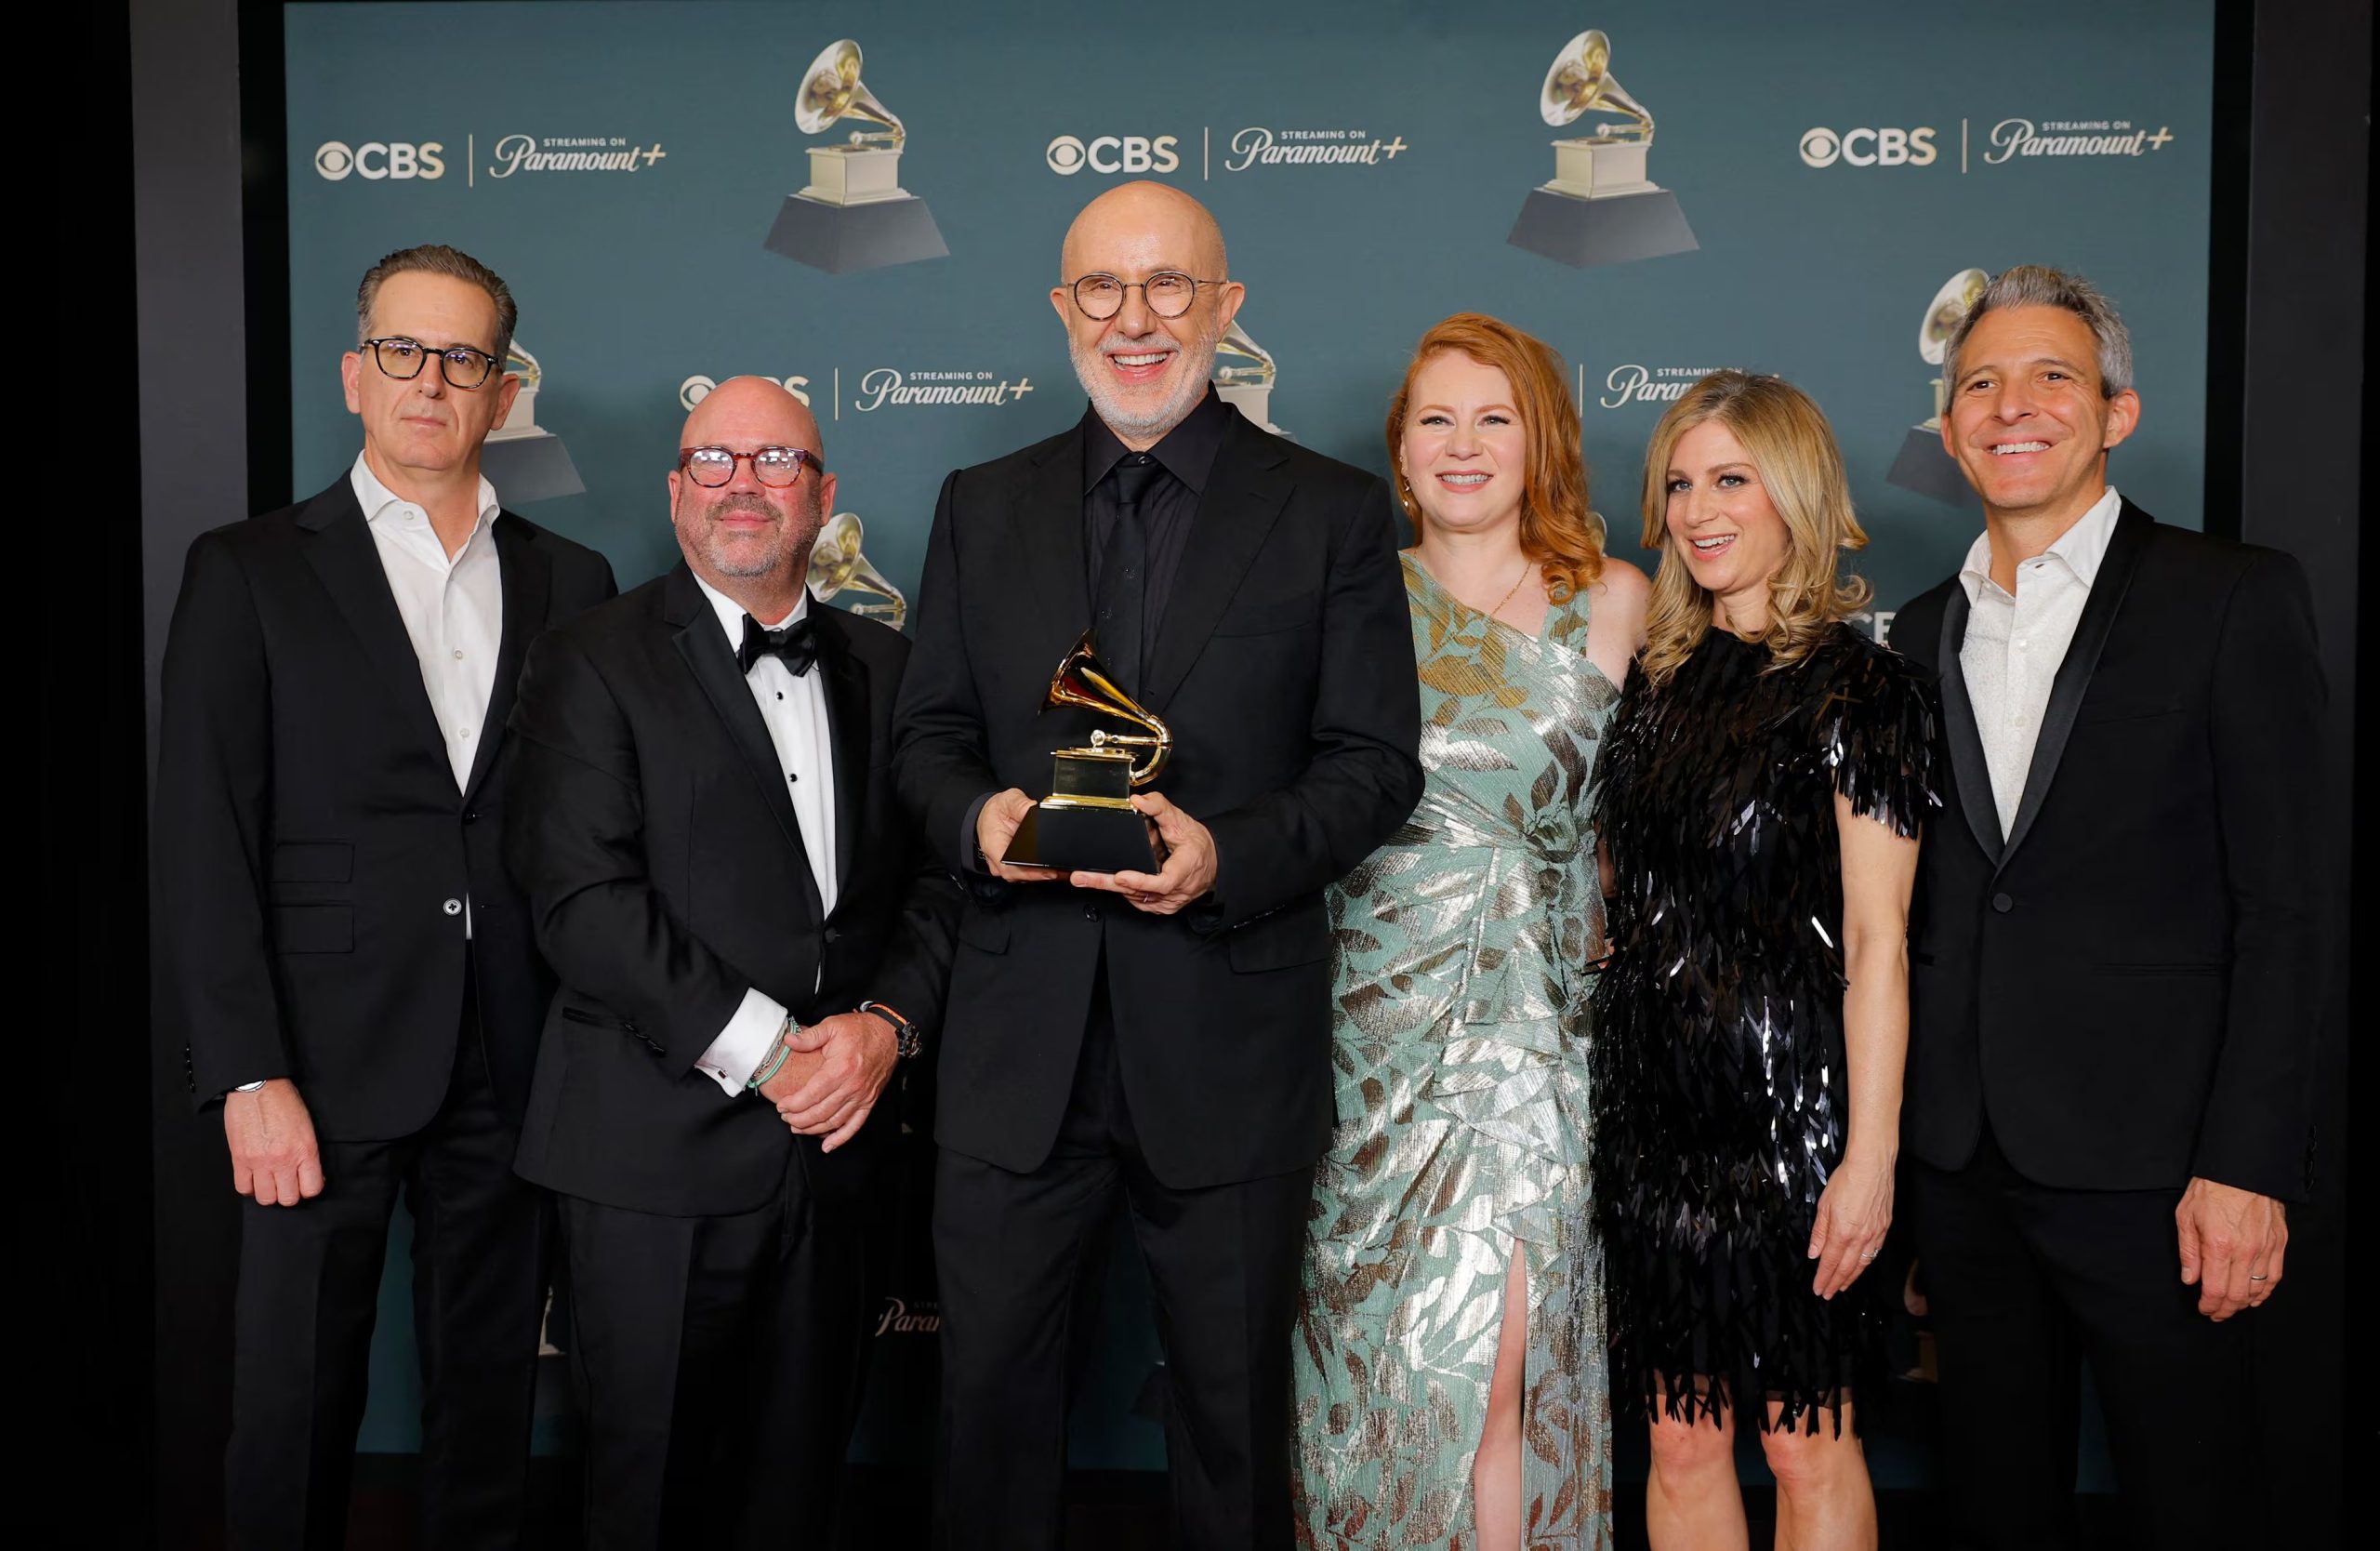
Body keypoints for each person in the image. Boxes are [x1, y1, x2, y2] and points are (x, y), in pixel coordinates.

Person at [892, 181, 1422, 1550]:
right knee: (988, 1423)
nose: (1137, 319)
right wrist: (979, 821)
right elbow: (929, 738)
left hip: (1231, 1043)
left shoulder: (1331, 513)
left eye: (1170, 286)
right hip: (1016, 1053)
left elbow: (1375, 763)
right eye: (1103, 290)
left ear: (1228, 306)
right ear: (1063, 309)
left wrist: (1225, 855)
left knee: (1233, 1431)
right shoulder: (979, 503)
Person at [153, 244, 615, 1548]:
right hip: (313, 1063)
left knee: (488, 1418)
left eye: (462, 358)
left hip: (516, 1058)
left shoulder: (572, 583)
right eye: (404, 353)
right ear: (356, 376)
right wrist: (245, 1072)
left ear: (504, 390)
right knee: (291, 1409)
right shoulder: (246, 570)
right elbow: (206, 836)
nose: (431, 381)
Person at [1889, 266, 2324, 1551]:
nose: (2010, 406)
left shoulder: (2230, 599)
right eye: (1979, 383)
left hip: (2165, 1179)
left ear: (2118, 413)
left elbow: (2285, 909)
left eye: (2051, 377)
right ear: (1950, 422)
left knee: (2199, 1504)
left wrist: (2247, 1165)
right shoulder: (1916, 636)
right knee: (1993, 1507)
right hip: (1966, 1173)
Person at [502, 378, 958, 1548]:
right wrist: (770, 1054)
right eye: (714, 460)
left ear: (824, 494)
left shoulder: (892, 666)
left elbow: (936, 885)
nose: (743, 485)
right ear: (674, 490)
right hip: (649, 1160)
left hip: (837, 1160)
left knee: (794, 1492)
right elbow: (580, 900)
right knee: (646, 1498)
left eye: (775, 461)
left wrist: (886, 1029)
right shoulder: (590, 657)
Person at [1291, 313, 1647, 1550]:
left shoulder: (1614, 603)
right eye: (1435, 419)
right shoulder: (1344, 599)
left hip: (1528, 1040)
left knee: (1505, 1371)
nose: (1462, 444)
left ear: (1541, 441)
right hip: (1361, 1045)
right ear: (1398, 455)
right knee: (1375, 1387)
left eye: (1494, 417)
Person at [1592, 370, 1936, 1550]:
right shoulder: (1654, 682)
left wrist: (1870, 1160)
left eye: (1730, 479)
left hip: (1796, 1120)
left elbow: (1880, 942)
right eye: (1679, 484)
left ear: (1794, 492)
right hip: (1649, 1119)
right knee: (1681, 1436)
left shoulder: (1863, 686)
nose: (1697, 509)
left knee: (1803, 1440)